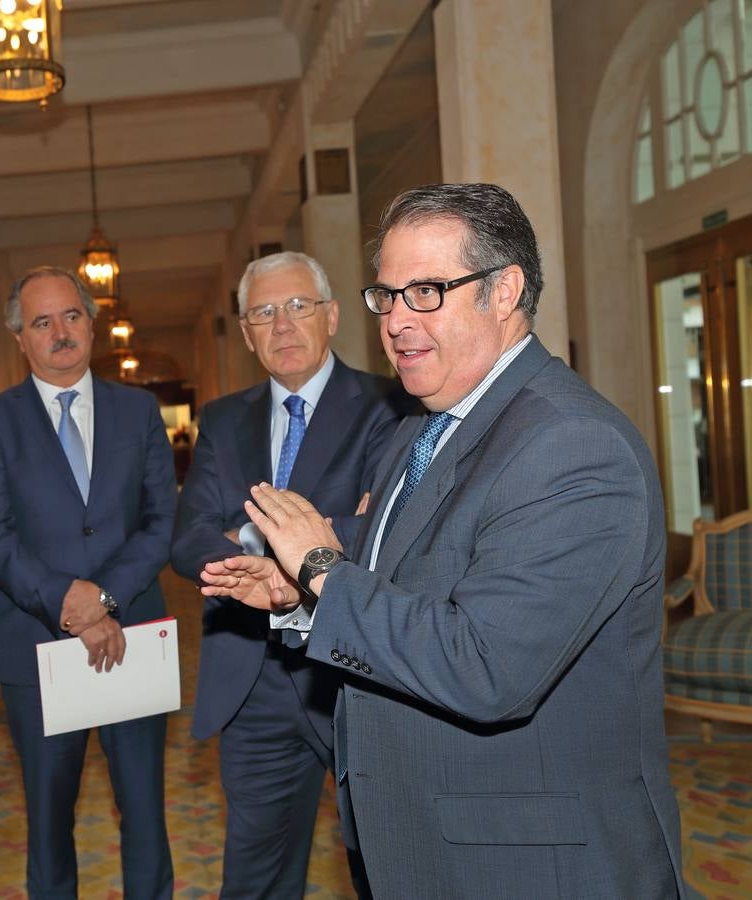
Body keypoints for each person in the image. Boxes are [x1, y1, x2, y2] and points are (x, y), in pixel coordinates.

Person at [204, 183, 685, 898]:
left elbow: (487, 667)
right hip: (422, 837)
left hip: (528, 861)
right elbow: (397, 562)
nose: (397, 320)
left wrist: (320, 565)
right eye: (387, 295)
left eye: (425, 291)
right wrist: (298, 590)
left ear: (504, 291)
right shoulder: (421, 426)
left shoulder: (572, 444)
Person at [170, 251, 407, 898]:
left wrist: (249, 537)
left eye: (299, 306)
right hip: (254, 676)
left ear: (332, 316)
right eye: (263, 313)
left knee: (384, 862)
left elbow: (385, 529)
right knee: (256, 876)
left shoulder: (392, 406)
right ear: (246, 333)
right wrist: (311, 534)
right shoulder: (222, 419)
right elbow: (188, 536)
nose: (283, 325)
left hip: (359, 672)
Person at [0, 266, 177, 899]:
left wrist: (104, 597)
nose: (60, 332)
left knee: (144, 814)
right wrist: (66, 600)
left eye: (72, 317)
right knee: (49, 824)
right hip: (37, 650)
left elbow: (162, 519)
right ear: (19, 338)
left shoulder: (137, 410)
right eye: (42, 322)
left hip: (132, 636)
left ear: (92, 325)